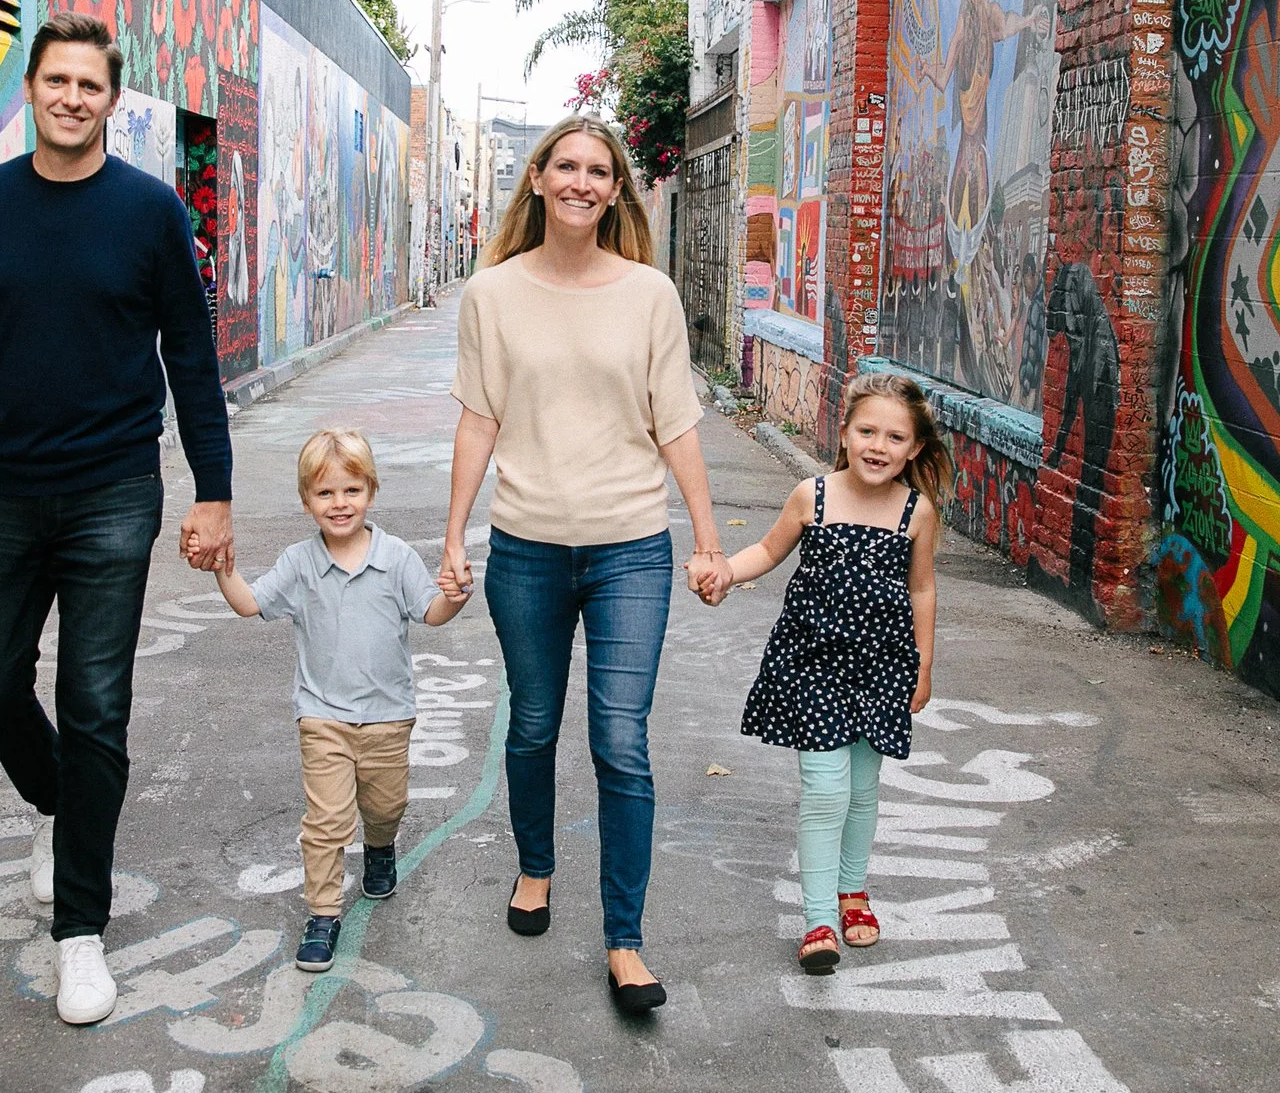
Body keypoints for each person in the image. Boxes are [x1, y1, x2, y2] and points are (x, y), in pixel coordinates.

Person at [0, 11, 234, 1027]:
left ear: (111, 100)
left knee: (96, 706)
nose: (73, 98)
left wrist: (214, 490)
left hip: (114, 492)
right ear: (30, 90)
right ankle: (55, 804)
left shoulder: (152, 212)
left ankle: (78, 930)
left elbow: (192, 359)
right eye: (57, 81)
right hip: (1, 488)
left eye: (91, 84)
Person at [439, 115, 730, 1015]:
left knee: (618, 741)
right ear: (537, 179)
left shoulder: (650, 295)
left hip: (630, 550)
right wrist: (453, 535)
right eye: (564, 165)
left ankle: (625, 939)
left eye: (597, 170)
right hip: (525, 547)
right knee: (531, 727)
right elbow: (479, 419)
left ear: (615, 191)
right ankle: (535, 866)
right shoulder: (491, 294)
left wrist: (707, 536)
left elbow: (675, 418)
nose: (579, 180)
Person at [701, 372, 947, 974]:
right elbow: (766, 551)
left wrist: (923, 664)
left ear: (914, 448)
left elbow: (922, 588)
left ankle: (853, 891)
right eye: (867, 430)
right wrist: (727, 572)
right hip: (813, 666)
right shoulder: (811, 495)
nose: (878, 446)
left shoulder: (916, 513)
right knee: (825, 791)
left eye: (895, 437)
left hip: (883, 668)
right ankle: (817, 918)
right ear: (844, 432)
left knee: (862, 790)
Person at [212, 428, 469, 972]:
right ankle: (323, 914)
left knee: (385, 806)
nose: (339, 504)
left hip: (388, 718)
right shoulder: (300, 562)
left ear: (370, 492)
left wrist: (455, 597)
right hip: (323, 717)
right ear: (307, 500)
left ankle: (380, 850)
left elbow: (430, 613)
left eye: (351, 490)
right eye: (325, 494)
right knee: (326, 822)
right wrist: (222, 569)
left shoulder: (396, 557)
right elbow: (249, 604)